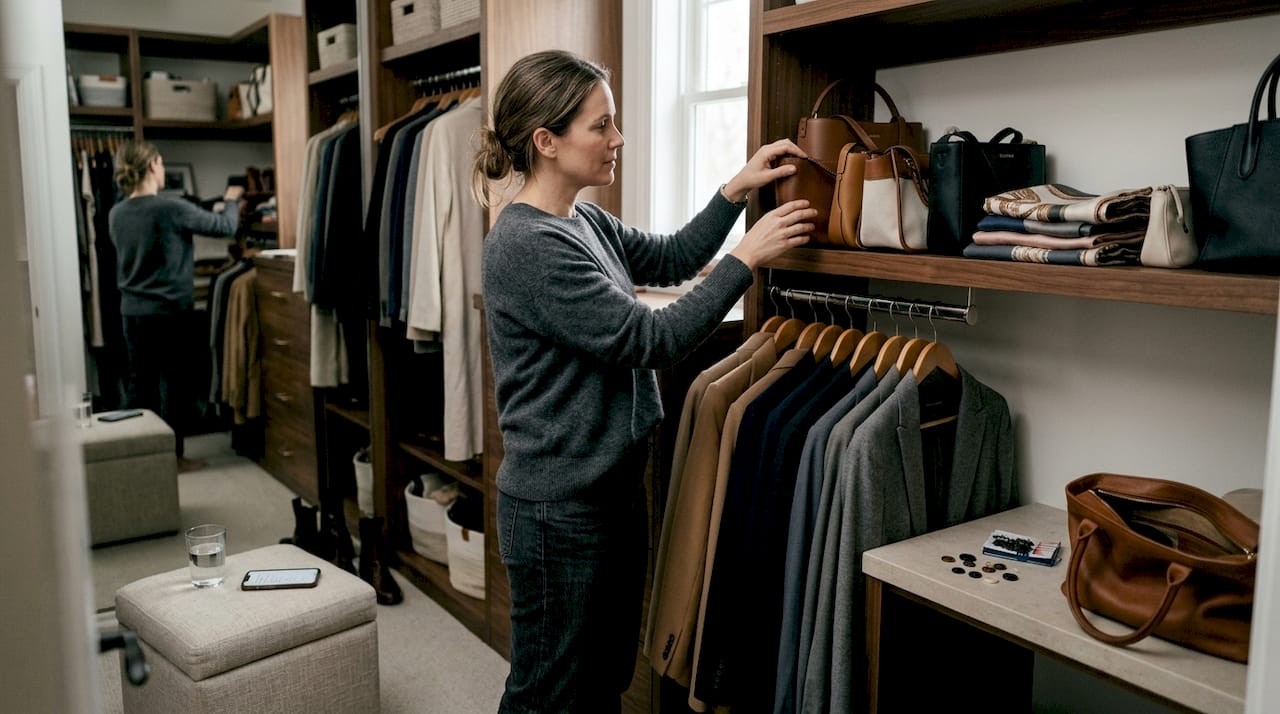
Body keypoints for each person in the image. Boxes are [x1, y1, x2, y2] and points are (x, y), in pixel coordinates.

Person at [474, 49, 817, 713]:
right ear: (547, 142)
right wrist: (747, 258)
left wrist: (734, 191)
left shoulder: (583, 220)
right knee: (547, 692)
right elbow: (649, 339)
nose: (618, 139)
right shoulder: (525, 245)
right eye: (601, 126)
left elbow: (672, 257)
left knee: (603, 677)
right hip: (557, 510)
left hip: (609, 492)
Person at [108, 140, 243, 471]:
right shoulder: (170, 208)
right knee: (175, 389)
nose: (165, 169)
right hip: (169, 314)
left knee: (140, 387)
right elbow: (226, 227)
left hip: (133, 314)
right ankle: (174, 460)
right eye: (163, 163)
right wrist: (230, 201)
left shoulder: (116, 213)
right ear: (153, 165)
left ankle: (133, 459)